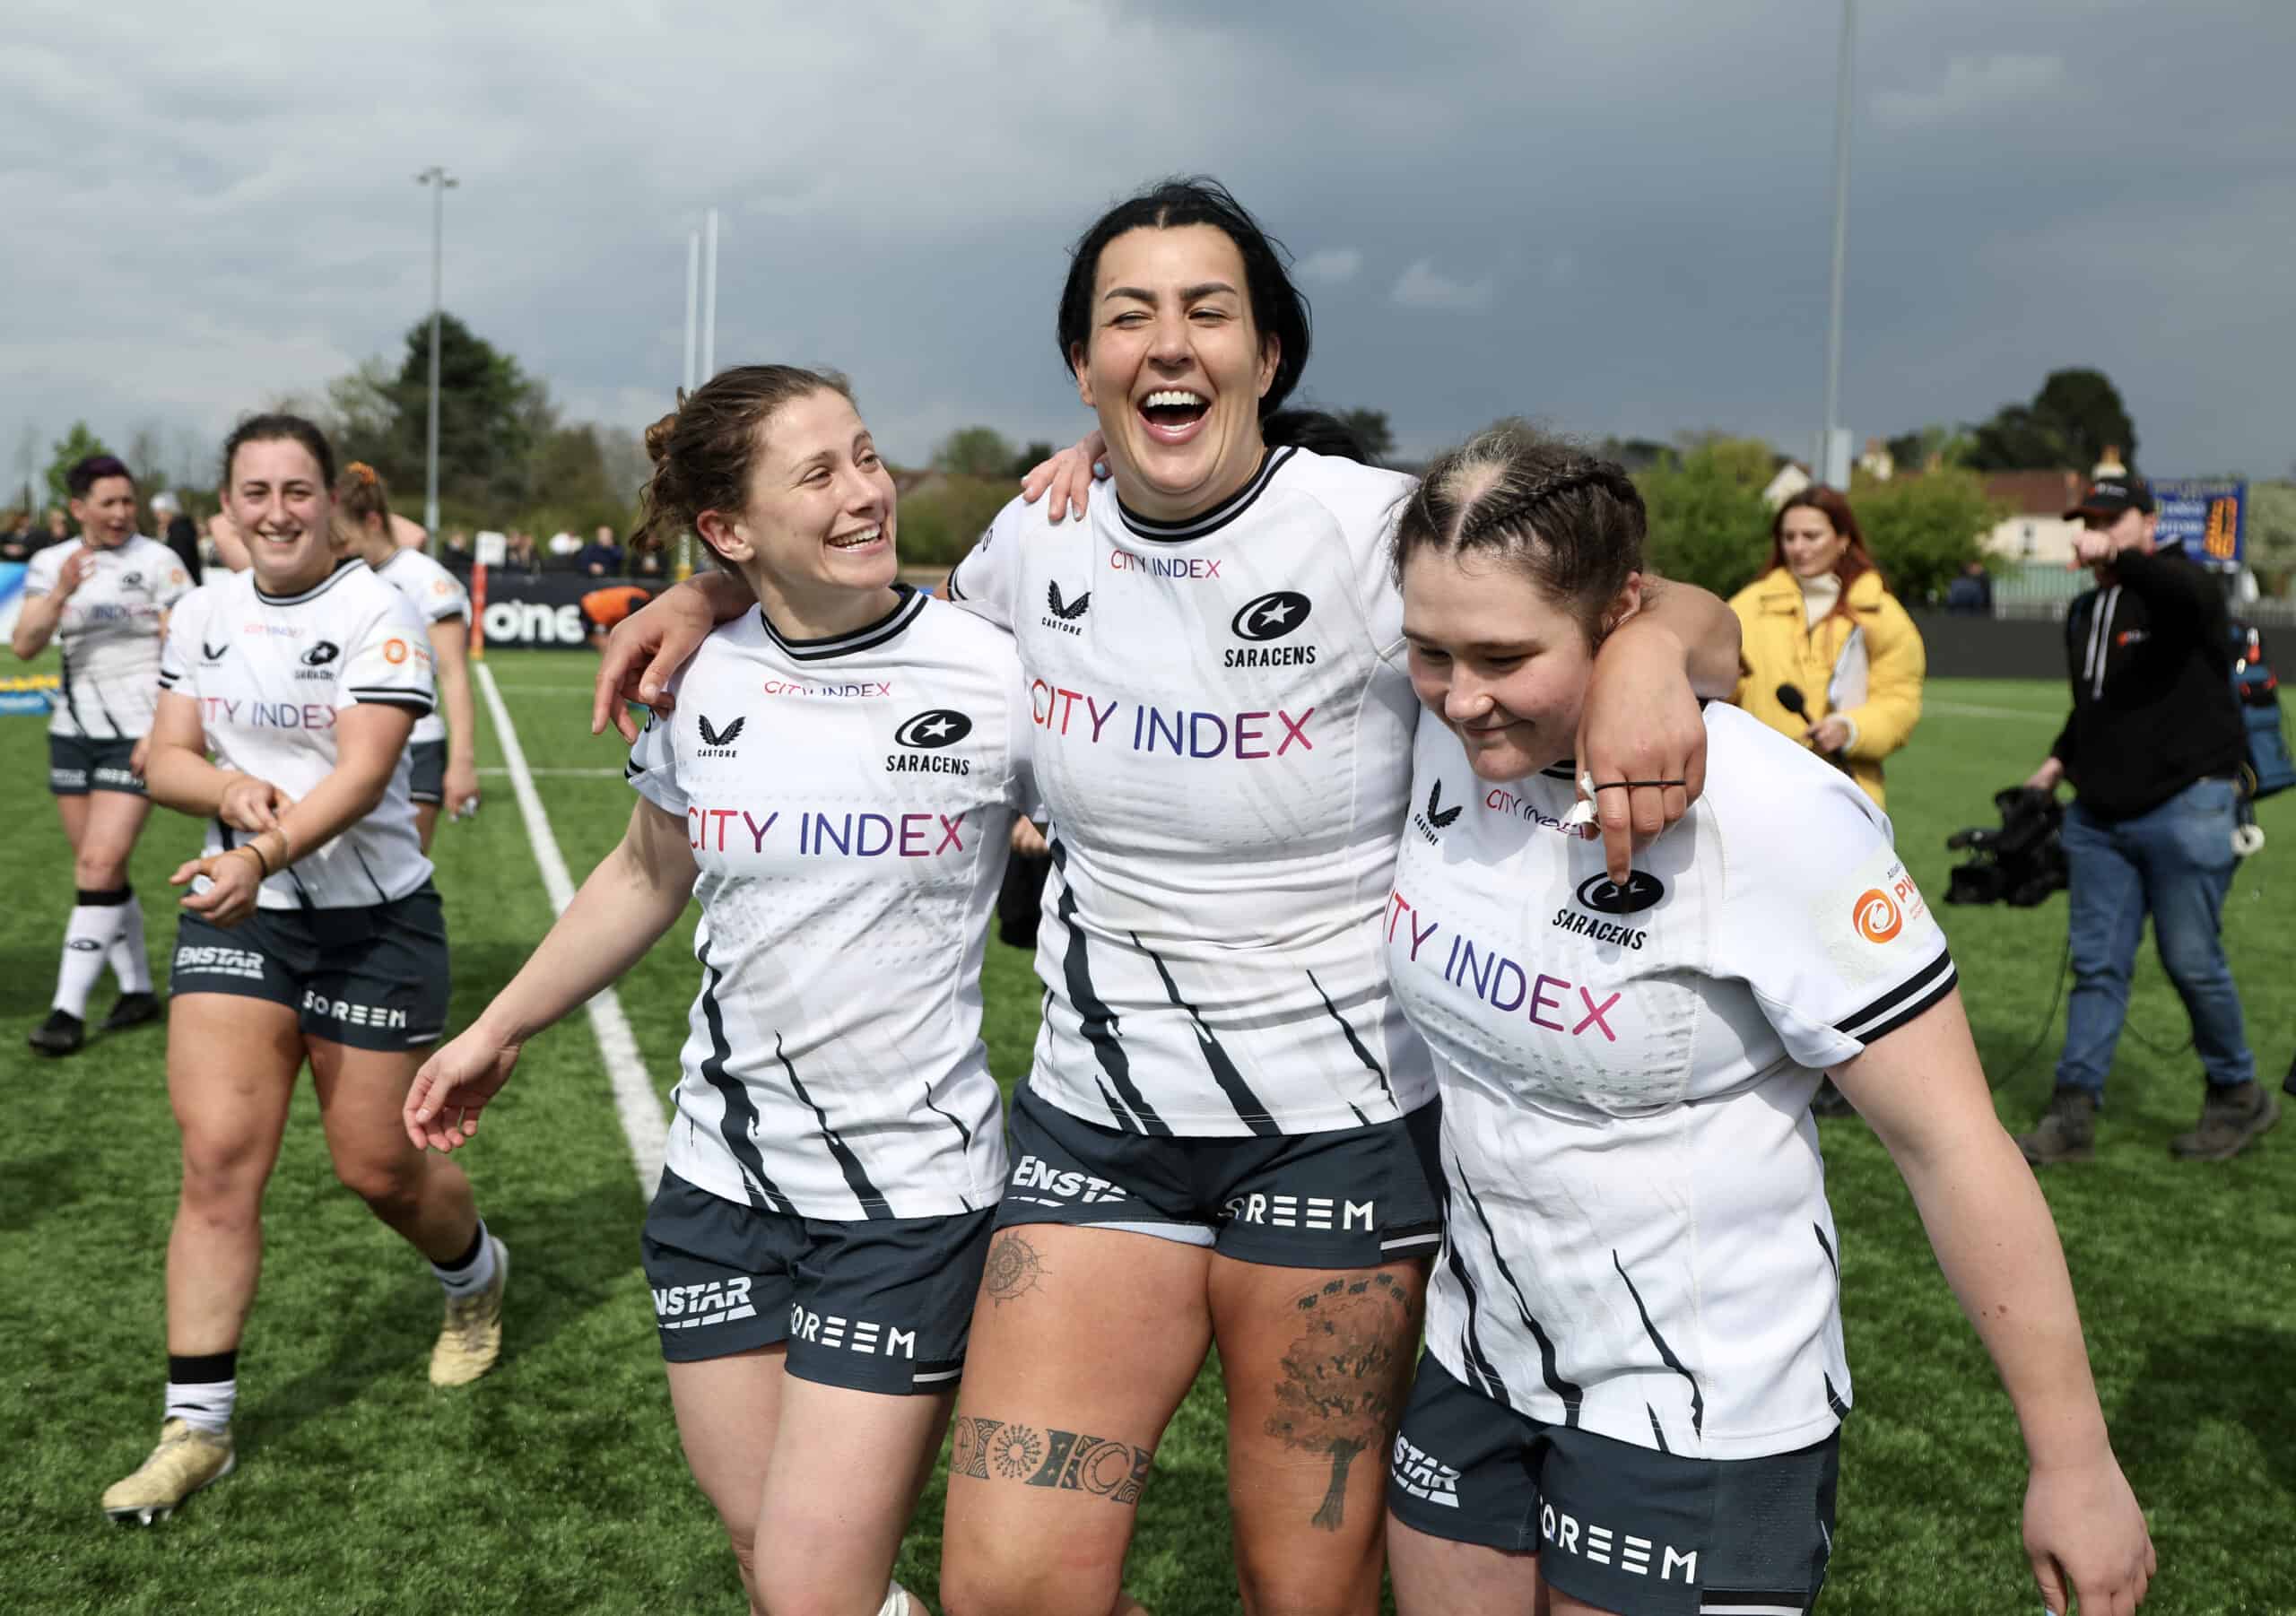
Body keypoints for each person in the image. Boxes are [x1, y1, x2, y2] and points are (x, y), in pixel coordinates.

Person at [593, 177, 1738, 1616]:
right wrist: (713, 598)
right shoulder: (1037, 540)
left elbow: (1694, 614)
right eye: (1129, 316)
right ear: (1086, 368)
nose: (1170, 341)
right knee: (1008, 1587)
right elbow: (873, 617)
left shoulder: (1374, 523)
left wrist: (1638, 656)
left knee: (1298, 1588)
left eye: (1211, 309)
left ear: (1270, 354)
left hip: (1335, 1135)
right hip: (1101, 1132)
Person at [1379, 422, 2155, 1616]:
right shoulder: (1438, 745)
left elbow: (1952, 1144)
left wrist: (2075, 1458)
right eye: (1431, 650)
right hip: (1472, 1361)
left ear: (1613, 609)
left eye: (1500, 653)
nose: (1462, 696)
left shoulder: (1775, 813)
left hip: (1702, 1408)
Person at [406, 365, 1031, 1616]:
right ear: (729, 532)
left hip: (905, 1199)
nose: (868, 493)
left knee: (806, 1588)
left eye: (866, 455)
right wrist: (498, 1023)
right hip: (719, 1185)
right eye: (821, 473)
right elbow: (646, 870)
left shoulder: (995, 670)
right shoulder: (708, 679)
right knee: (766, 1554)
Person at [101, 413, 506, 1527]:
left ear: (332, 500)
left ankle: (474, 1281)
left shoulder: (380, 610)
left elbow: (368, 771)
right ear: (226, 503)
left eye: (296, 489)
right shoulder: (203, 609)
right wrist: (226, 797)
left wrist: (260, 846)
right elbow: (166, 756)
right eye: (254, 491)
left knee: (377, 1168)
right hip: (246, 915)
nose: (275, 510)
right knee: (219, 1160)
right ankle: (196, 1427)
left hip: (374, 923)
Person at [2015, 473, 2274, 1166]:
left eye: (2111, 517)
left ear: (2148, 522)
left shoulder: (2184, 586)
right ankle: (2072, 1113)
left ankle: (2237, 1091)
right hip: (2100, 816)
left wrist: (2123, 559)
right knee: (2097, 967)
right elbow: (2098, 706)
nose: (2095, 529)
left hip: (2188, 802)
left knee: (2191, 960)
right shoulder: (2087, 610)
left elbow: (2180, 598)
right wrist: (2055, 765)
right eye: (2087, 518)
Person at [13, 454, 193, 1055]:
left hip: (137, 733)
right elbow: (24, 647)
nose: (121, 513)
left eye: (127, 501)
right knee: (102, 871)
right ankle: (138, 989)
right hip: (72, 730)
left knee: (95, 867)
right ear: (78, 508)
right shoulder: (48, 564)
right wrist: (63, 587)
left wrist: (161, 731)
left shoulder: (160, 563)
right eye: (108, 503)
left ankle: (66, 1010)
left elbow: (187, 652)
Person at [1728, 486, 1925, 812]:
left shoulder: (1881, 613)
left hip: (1846, 790)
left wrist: (1850, 729)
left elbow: (1899, 701)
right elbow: (1721, 691)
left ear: (1843, 538)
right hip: (1759, 789)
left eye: (1811, 536)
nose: (1798, 547)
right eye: (1788, 537)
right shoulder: (1746, 606)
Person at [334, 463, 482, 844]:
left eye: (342, 535)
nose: (337, 546)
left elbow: (453, 673)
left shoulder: (425, 579)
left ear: (372, 521)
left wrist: (462, 762)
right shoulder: (337, 576)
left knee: (405, 875)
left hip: (416, 747)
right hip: (345, 745)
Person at [150, 490, 204, 580]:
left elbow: (178, 562)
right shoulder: (180, 528)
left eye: (159, 514)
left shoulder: (179, 531)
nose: (157, 518)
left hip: (185, 586)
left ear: (169, 511)